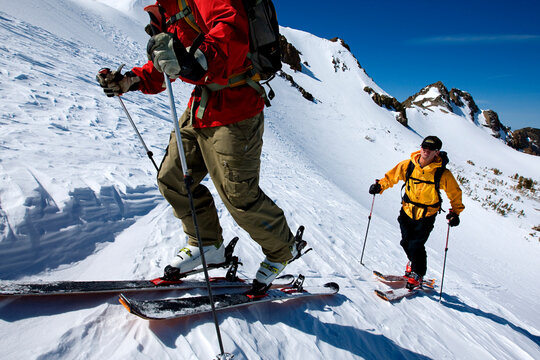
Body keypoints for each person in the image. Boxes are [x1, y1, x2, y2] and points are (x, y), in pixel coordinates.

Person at [96, 0, 300, 293]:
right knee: (173, 178)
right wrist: (131, 81)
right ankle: (207, 245)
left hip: (236, 108)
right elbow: (167, 64)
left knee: (239, 195)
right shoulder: (166, 8)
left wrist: (195, 63)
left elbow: (230, 33)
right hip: (200, 108)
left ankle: (283, 250)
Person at [368, 136, 464, 289]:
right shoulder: (409, 165)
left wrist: (455, 213)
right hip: (407, 210)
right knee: (406, 242)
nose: (426, 150)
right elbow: (391, 177)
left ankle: (418, 273)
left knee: (416, 244)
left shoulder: (442, 174)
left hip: (426, 215)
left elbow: (455, 193)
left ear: (437, 152)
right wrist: (380, 186)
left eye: (430, 148)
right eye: (424, 146)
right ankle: (413, 265)